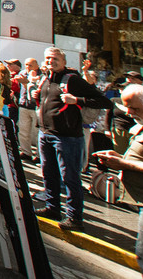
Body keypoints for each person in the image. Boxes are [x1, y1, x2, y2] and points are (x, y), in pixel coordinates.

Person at [35, 47, 112, 230]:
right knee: (49, 174)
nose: (50, 61)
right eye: (47, 58)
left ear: (64, 61)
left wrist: (77, 100)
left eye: (55, 58)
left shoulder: (73, 80)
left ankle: (75, 217)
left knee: (70, 178)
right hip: (46, 134)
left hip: (67, 138)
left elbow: (104, 101)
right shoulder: (46, 79)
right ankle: (53, 208)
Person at [95, 84, 143, 278]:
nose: (130, 113)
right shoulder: (142, 124)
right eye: (128, 108)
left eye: (135, 108)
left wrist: (124, 164)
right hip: (141, 201)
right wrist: (118, 157)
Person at [18, 57, 43, 161]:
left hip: (36, 106)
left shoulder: (42, 74)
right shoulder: (23, 73)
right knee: (23, 130)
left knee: (38, 132)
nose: (28, 67)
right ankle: (26, 152)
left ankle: (39, 155)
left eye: (30, 65)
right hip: (23, 104)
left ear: (36, 65)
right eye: (26, 65)